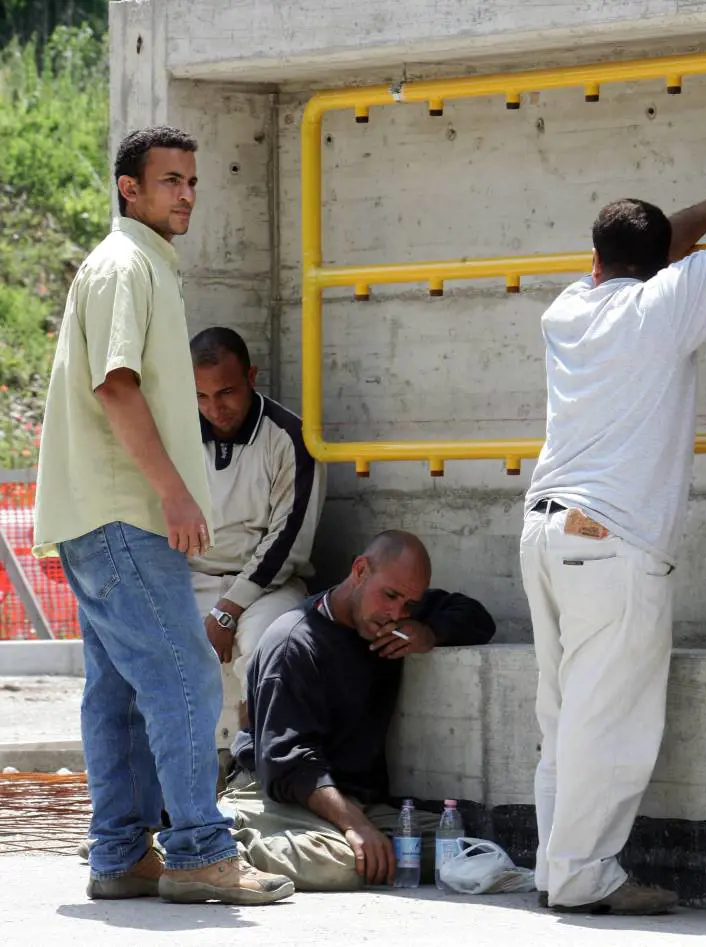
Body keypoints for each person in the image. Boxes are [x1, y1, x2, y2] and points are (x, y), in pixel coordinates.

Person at [33, 126, 293, 906]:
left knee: (116, 691)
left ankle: (120, 853)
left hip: (103, 512)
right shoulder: (126, 266)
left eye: (190, 180)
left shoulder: (141, 264)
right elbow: (117, 386)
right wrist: (176, 491)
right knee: (185, 674)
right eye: (169, 180)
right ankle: (199, 852)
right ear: (129, 189)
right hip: (123, 512)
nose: (185, 193)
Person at [519, 181, 706, 915]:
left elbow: (648, 252)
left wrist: (704, 210)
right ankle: (582, 876)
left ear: (595, 260)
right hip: (610, 544)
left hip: (544, 532)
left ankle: (556, 866)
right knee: (607, 723)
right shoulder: (663, 304)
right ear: (662, 260)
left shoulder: (567, 308)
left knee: (565, 717)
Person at [219, 530, 496, 890]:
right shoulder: (294, 642)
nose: (395, 613)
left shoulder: (393, 619)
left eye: (409, 606)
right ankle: (223, 842)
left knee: (460, 852)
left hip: (351, 801)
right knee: (342, 865)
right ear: (361, 570)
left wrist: (429, 630)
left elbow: (476, 617)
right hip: (277, 795)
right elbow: (289, 765)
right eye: (391, 596)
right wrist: (357, 827)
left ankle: (349, 841)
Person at [189, 327, 325, 753]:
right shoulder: (174, 437)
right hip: (192, 578)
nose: (215, 408)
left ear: (252, 376)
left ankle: (256, 762)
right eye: (202, 396)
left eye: (226, 392)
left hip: (269, 585)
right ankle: (186, 786)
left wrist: (228, 611)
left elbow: (289, 541)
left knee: (266, 645)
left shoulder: (292, 437)